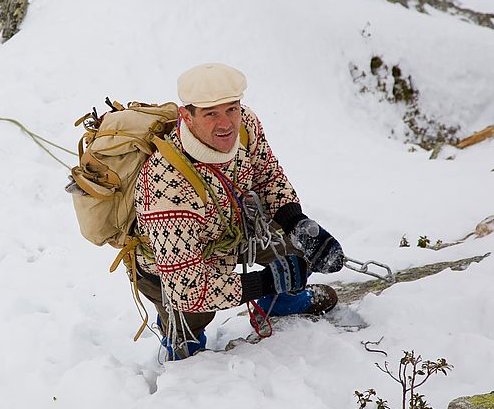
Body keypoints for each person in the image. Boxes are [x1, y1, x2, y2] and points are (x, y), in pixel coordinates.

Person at [133, 63, 344, 360]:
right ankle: (182, 340)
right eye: (210, 113)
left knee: (296, 247)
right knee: (192, 313)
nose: (226, 124)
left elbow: (267, 176)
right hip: (176, 267)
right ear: (187, 116)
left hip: (233, 229)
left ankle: (281, 302)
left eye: (231, 109)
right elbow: (188, 287)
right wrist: (264, 282)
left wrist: (296, 221)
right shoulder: (166, 184)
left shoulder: (245, 124)